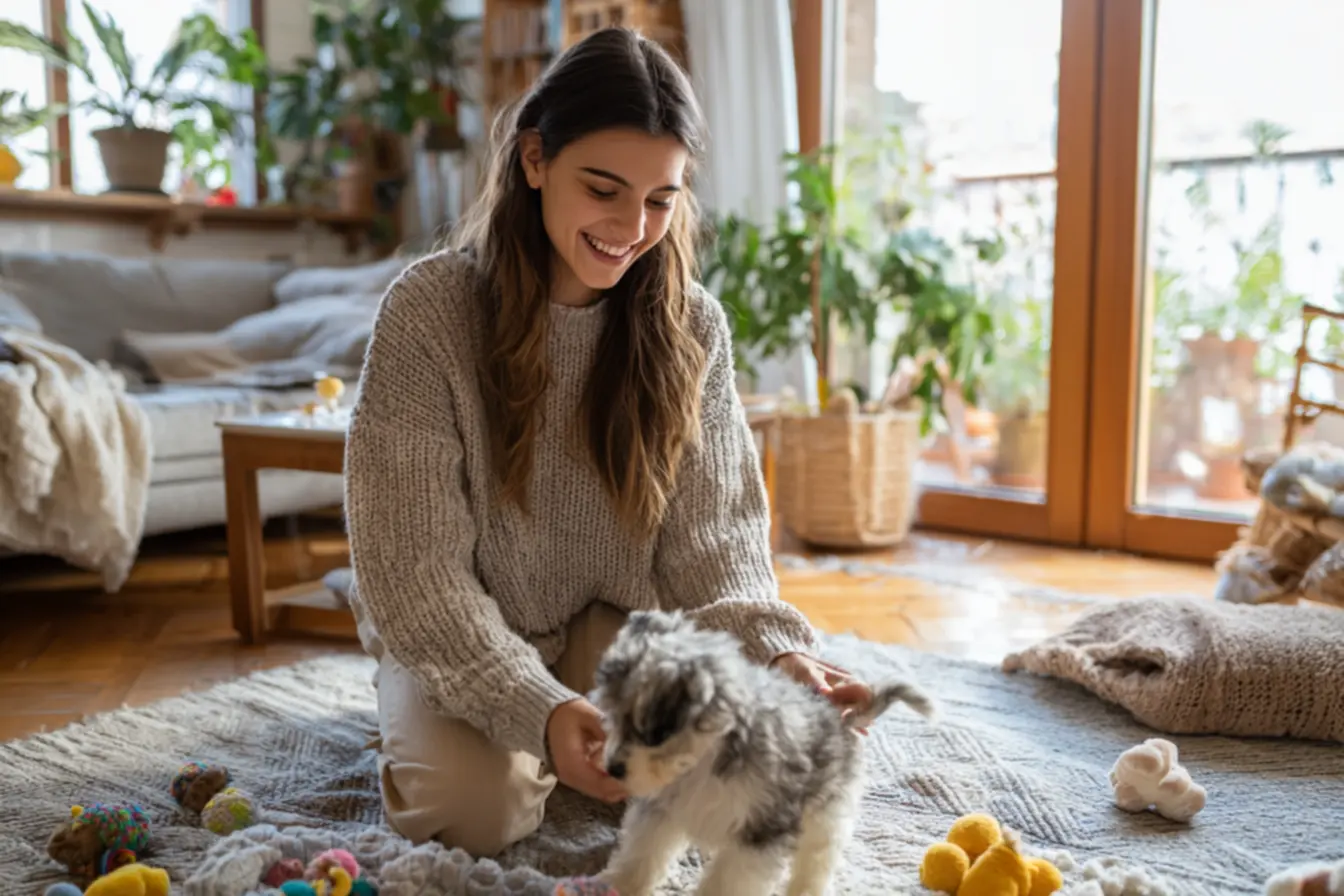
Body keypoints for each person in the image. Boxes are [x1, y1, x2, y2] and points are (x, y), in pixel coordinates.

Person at [343, 25, 874, 858]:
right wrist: (539, 710)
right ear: (534, 161)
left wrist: (776, 656)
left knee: (756, 777)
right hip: (466, 620)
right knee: (475, 813)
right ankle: (420, 711)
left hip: (616, 624)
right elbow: (416, 577)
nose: (631, 226)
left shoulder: (692, 324)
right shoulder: (427, 313)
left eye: (661, 199)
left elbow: (716, 548)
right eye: (604, 188)